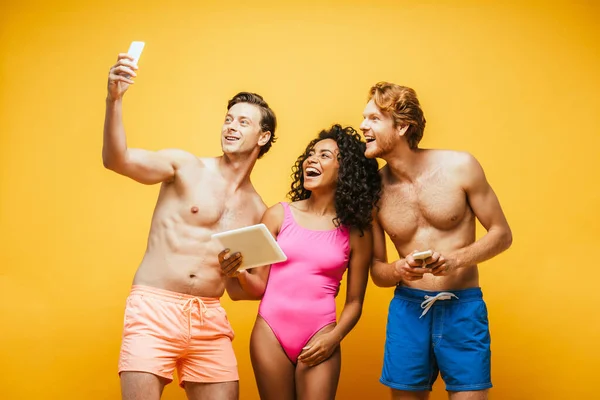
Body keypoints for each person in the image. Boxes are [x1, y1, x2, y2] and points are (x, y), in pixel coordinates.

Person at [102, 52, 278, 400]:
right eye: (228, 119)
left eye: (243, 122)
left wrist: (236, 273)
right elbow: (116, 159)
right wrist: (114, 99)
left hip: (208, 319)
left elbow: (245, 291)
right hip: (154, 308)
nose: (231, 126)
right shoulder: (185, 167)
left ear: (262, 137)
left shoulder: (259, 209)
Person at [362, 82, 513, 400]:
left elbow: (502, 234)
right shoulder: (374, 191)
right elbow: (376, 272)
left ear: (402, 126)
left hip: (462, 307)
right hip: (408, 311)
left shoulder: (460, 167)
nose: (363, 126)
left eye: (374, 119)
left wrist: (456, 259)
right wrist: (400, 269)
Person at [218, 124, 381, 400]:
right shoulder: (278, 215)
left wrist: (334, 338)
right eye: (310, 154)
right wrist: (239, 273)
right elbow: (258, 287)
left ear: (346, 170)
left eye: (324, 155)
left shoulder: (357, 231)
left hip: (321, 334)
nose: (311, 160)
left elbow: (355, 302)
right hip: (270, 333)